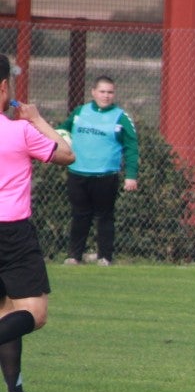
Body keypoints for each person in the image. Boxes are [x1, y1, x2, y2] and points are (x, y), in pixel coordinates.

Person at [1, 53, 78, 392]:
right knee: (34, 313)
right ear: (4, 88)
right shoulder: (19, 131)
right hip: (12, 232)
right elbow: (66, 153)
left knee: (6, 312)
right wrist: (36, 118)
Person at [57, 75, 139, 267]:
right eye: (102, 91)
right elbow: (61, 131)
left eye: (110, 92)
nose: (106, 96)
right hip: (78, 173)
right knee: (79, 215)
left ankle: (105, 257)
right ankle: (74, 256)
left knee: (104, 216)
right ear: (93, 92)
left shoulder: (121, 117)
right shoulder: (80, 113)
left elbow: (132, 147)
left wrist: (131, 176)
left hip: (105, 175)